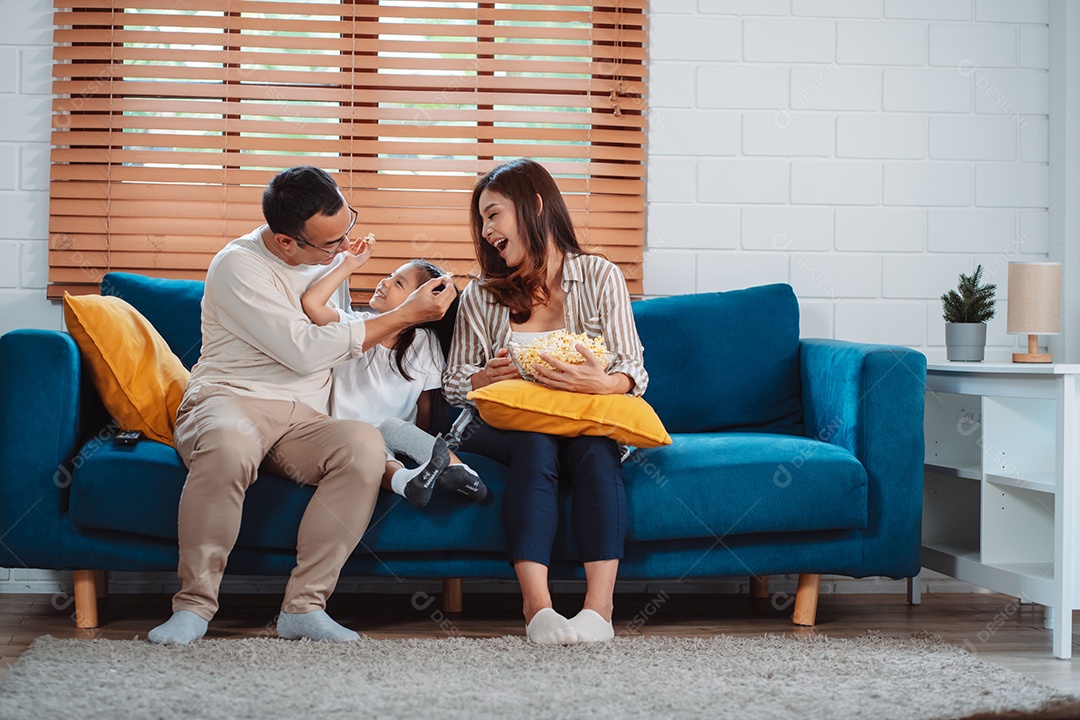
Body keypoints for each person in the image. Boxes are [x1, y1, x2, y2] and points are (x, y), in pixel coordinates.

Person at [147, 166, 456, 646]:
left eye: (347, 227)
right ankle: (193, 607)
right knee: (229, 446)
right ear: (287, 242)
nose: (342, 247)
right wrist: (405, 313)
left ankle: (304, 607)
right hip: (231, 398)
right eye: (329, 244)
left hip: (303, 419)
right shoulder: (238, 266)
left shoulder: (328, 261)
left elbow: (339, 332)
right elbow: (306, 349)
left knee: (365, 445)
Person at [443, 158, 649, 645]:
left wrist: (607, 384)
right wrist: (480, 377)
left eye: (494, 214)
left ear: (534, 205)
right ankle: (538, 609)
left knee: (595, 450)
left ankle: (599, 612)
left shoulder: (599, 276)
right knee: (536, 445)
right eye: (482, 220)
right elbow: (452, 382)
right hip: (506, 424)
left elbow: (634, 369)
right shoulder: (481, 295)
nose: (486, 229)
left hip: (583, 417)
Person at [301, 255, 487, 507]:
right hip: (349, 434)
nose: (385, 283)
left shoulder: (424, 341)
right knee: (374, 450)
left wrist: (418, 439)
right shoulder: (355, 325)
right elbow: (312, 303)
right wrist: (347, 264)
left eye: (398, 283)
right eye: (390, 276)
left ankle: (460, 472)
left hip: (396, 431)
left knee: (394, 428)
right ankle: (404, 481)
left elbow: (426, 404)